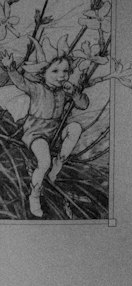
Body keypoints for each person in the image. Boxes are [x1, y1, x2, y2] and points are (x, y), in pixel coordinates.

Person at [0, 48, 93, 218]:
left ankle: (57, 166)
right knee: (43, 162)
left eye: (65, 71)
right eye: (55, 71)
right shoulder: (36, 88)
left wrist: (74, 92)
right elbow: (20, 82)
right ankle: (34, 195)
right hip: (36, 133)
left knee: (76, 128)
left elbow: (83, 104)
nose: (62, 75)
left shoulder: (64, 91)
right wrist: (10, 67)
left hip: (55, 133)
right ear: (43, 73)